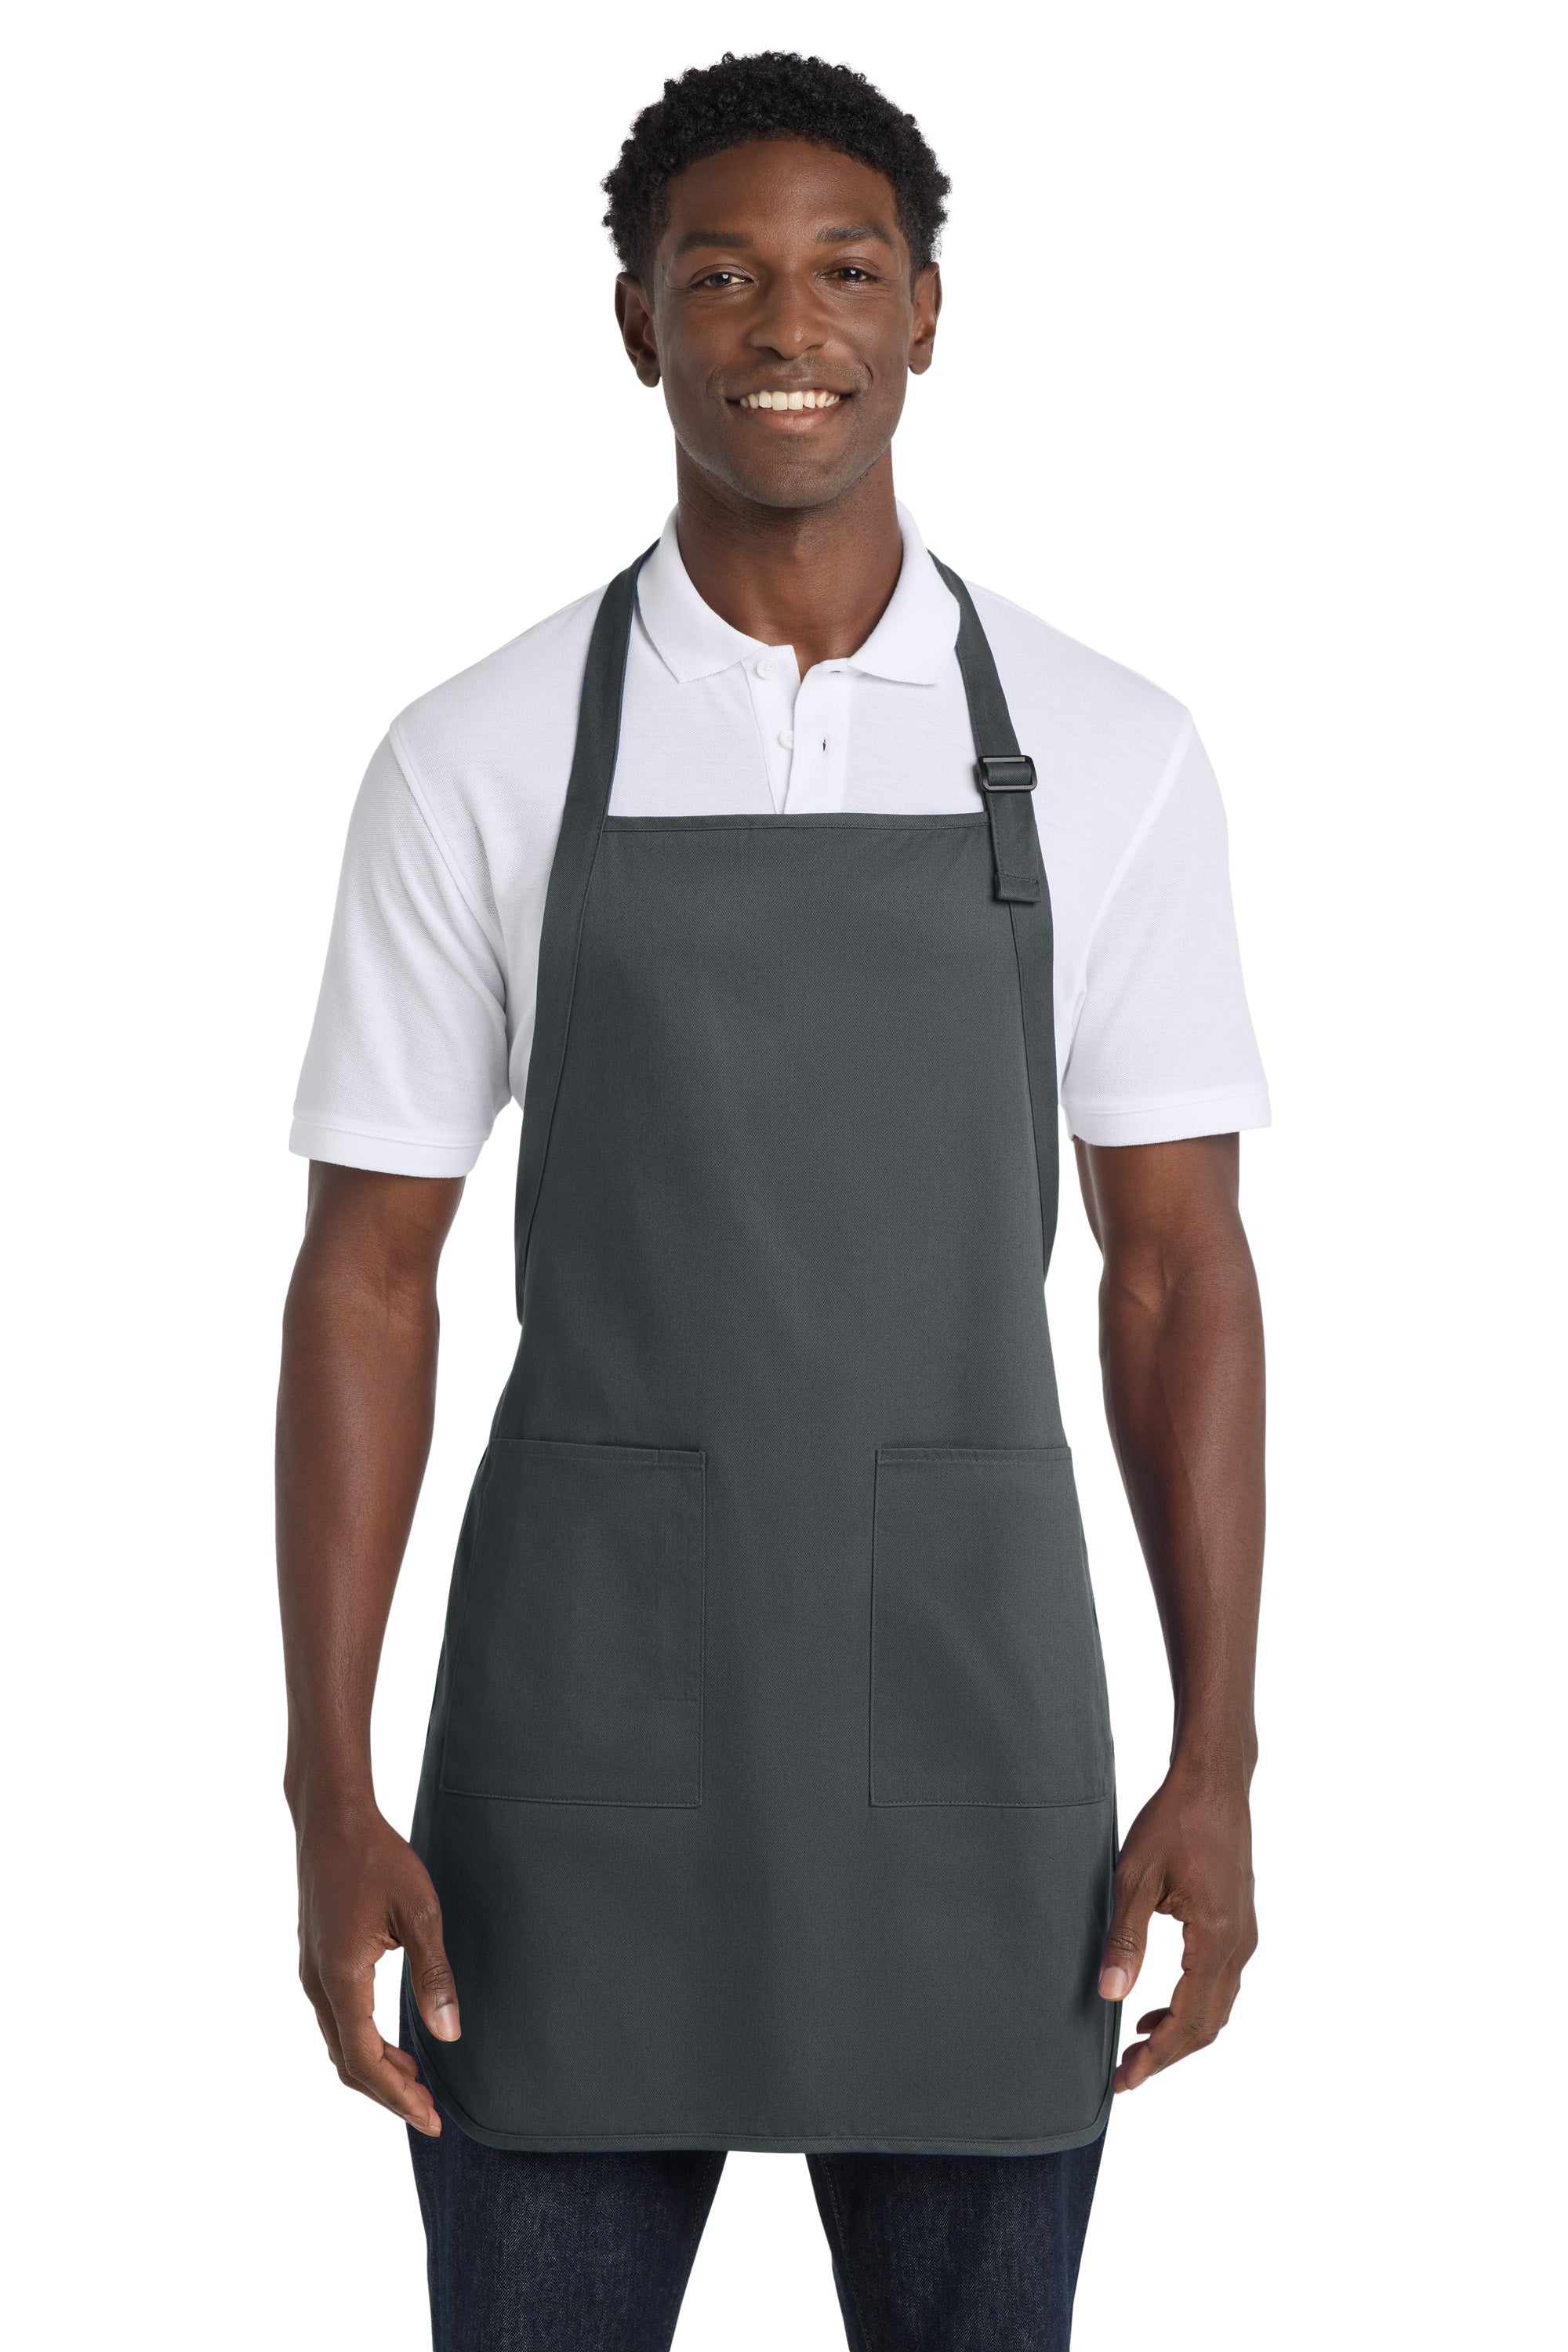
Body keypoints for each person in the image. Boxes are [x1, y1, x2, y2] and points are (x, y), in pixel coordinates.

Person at [277, 49, 1268, 2351]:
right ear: (640, 323)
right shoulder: (477, 752)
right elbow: (365, 1281)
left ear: (927, 313)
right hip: (569, 1774)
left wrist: (1217, 1754)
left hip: (975, 1756)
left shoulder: (1112, 751)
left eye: (844, 269)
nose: (786, 324)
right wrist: (328, 1785)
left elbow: (1178, 1274)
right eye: (719, 275)